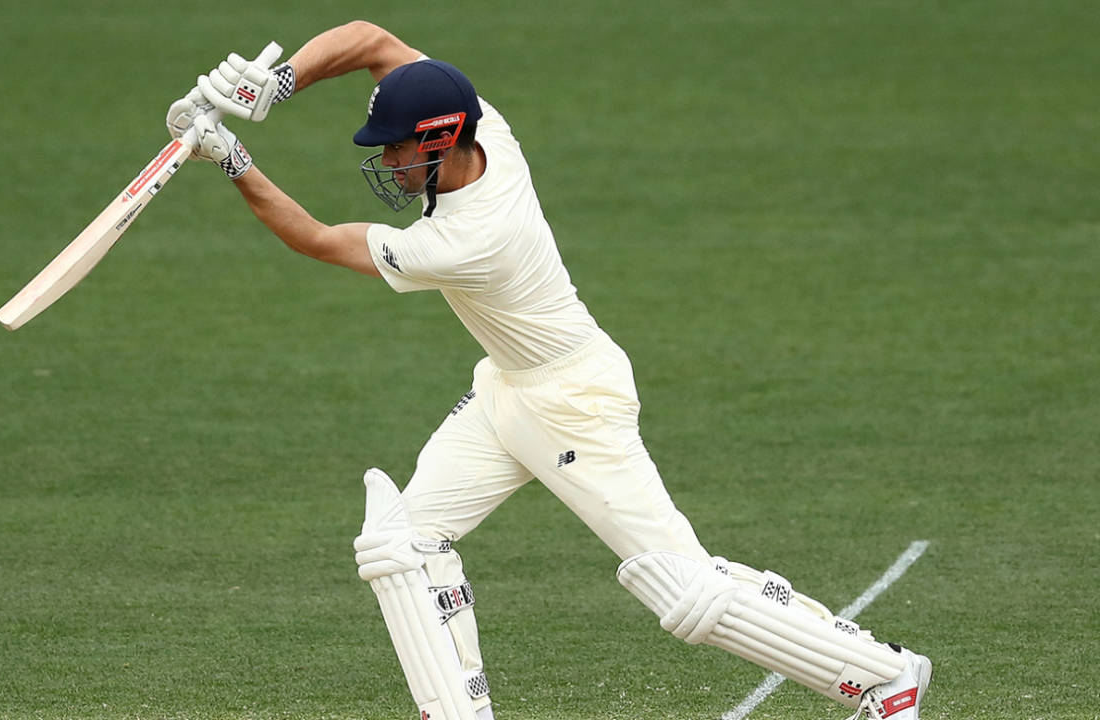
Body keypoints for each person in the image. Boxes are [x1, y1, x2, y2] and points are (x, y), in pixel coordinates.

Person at [165, 20, 932, 720]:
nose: (389, 161)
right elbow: (371, 39)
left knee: (682, 591)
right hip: (508, 389)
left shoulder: (468, 239)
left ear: (439, 142)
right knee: (402, 544)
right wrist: (277, 84)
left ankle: (880, 676)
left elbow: (318, 239)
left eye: (397, 149)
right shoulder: (482, 125)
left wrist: (231, 156)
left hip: (575, 401)